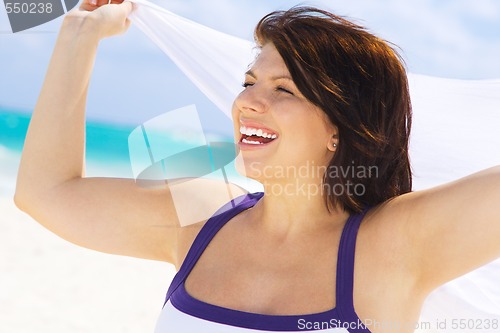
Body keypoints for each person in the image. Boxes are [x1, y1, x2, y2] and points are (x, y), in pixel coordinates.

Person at [14, 1, 500, 332]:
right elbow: (46, 191)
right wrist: (80, 33)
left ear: (341, 128)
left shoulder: (395, 244)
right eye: (249, 82)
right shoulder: (205, 217)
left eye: (283, 90)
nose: (249, 102)